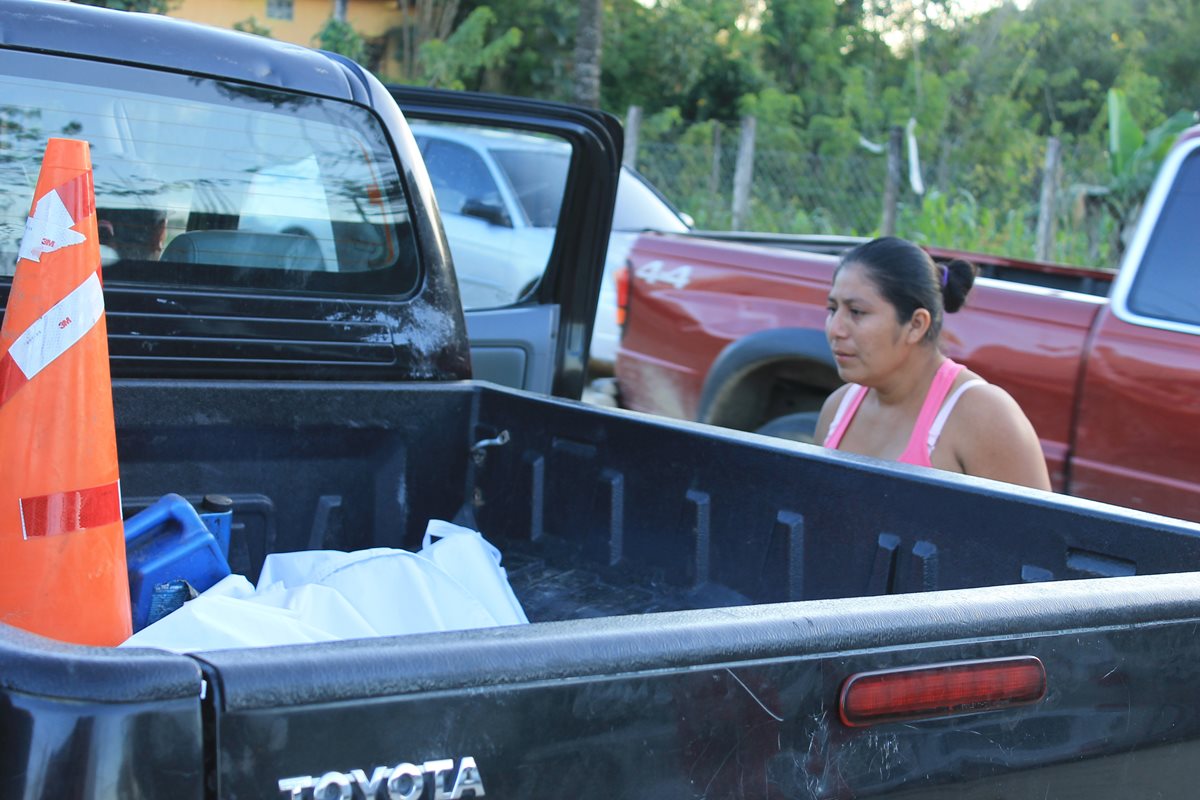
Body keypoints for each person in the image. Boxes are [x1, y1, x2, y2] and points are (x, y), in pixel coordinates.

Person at [813, 236, 1051, 491]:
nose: (835, 329)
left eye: (856, 312)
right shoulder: (838, 409)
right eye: (832, 309)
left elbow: (1039, 529)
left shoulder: (983, 416)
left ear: (916, 325)